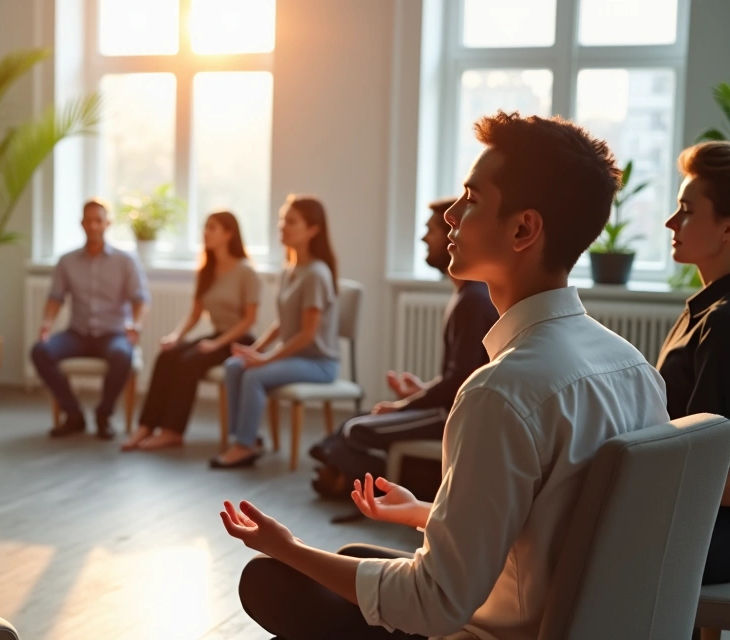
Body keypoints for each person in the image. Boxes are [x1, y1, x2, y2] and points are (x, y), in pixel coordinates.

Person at [221, 111, 670, 639]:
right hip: (576, 617)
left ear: (524, 228)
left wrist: (288, 548)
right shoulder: (633, 365)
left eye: (471, 198)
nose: (453, 214)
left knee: (271, 577)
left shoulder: (501, 392)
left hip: (493, 630)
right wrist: (423, 513)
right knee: (350, 555)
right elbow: (554, 523)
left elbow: (431, 605)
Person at [309, 198, 497, 496]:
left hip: (453, 416)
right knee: (363, 418)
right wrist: (419, 391)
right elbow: (463, 375)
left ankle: (351, 475)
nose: (424, 238)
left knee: (358, 429)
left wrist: (404, 405)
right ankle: (335, 469)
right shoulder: (469, 296)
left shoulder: (473, 301)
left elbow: (459, 381)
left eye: (430, 230)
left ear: (455, 236)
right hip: (448, 406)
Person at [211, 195, 341, 469]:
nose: (282, 226)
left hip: (319, 363)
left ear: (312, 230)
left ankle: (243, 447)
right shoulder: (288, 271)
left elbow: (307, 334)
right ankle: (246, 439)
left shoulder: (317, 274)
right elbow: (282, 324)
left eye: (291, 221)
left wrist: (266, 360)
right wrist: (255, 350)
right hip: (295, 359)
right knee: (235, 365)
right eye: (283, 220)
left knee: (254, 376)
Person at [655, 141, 730, 585]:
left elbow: (709, 468)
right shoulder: (704, 310)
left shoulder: (723, 322)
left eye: (686, 209)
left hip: (708, 531)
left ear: (726, 227)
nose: (671, 221)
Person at [122, 211, 260, 451]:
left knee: (188, 362)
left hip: (239, 339)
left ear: (229, 234)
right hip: (217, 335)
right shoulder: (206, 271)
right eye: (205, 227)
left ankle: (172, 431)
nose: (205, 233)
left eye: (212, 228)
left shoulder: (246, 272)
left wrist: (217, 345)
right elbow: (195, 314)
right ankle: (146, 426)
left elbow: (249, 320)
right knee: (167, 357)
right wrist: (176, 336)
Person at [31, 199, 150, 440]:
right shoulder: (67, 261)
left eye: (99, 221)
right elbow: (56, 297)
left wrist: (135, 325)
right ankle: (73, 413)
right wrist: (46, 323)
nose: (94, 226)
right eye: (89, 221)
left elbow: (141, 299)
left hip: (114, 333)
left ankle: (104, 414)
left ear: (107, 224)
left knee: (122, 354)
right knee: (40, 351)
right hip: (78, 334)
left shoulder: (125, 261)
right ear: (82, 224)